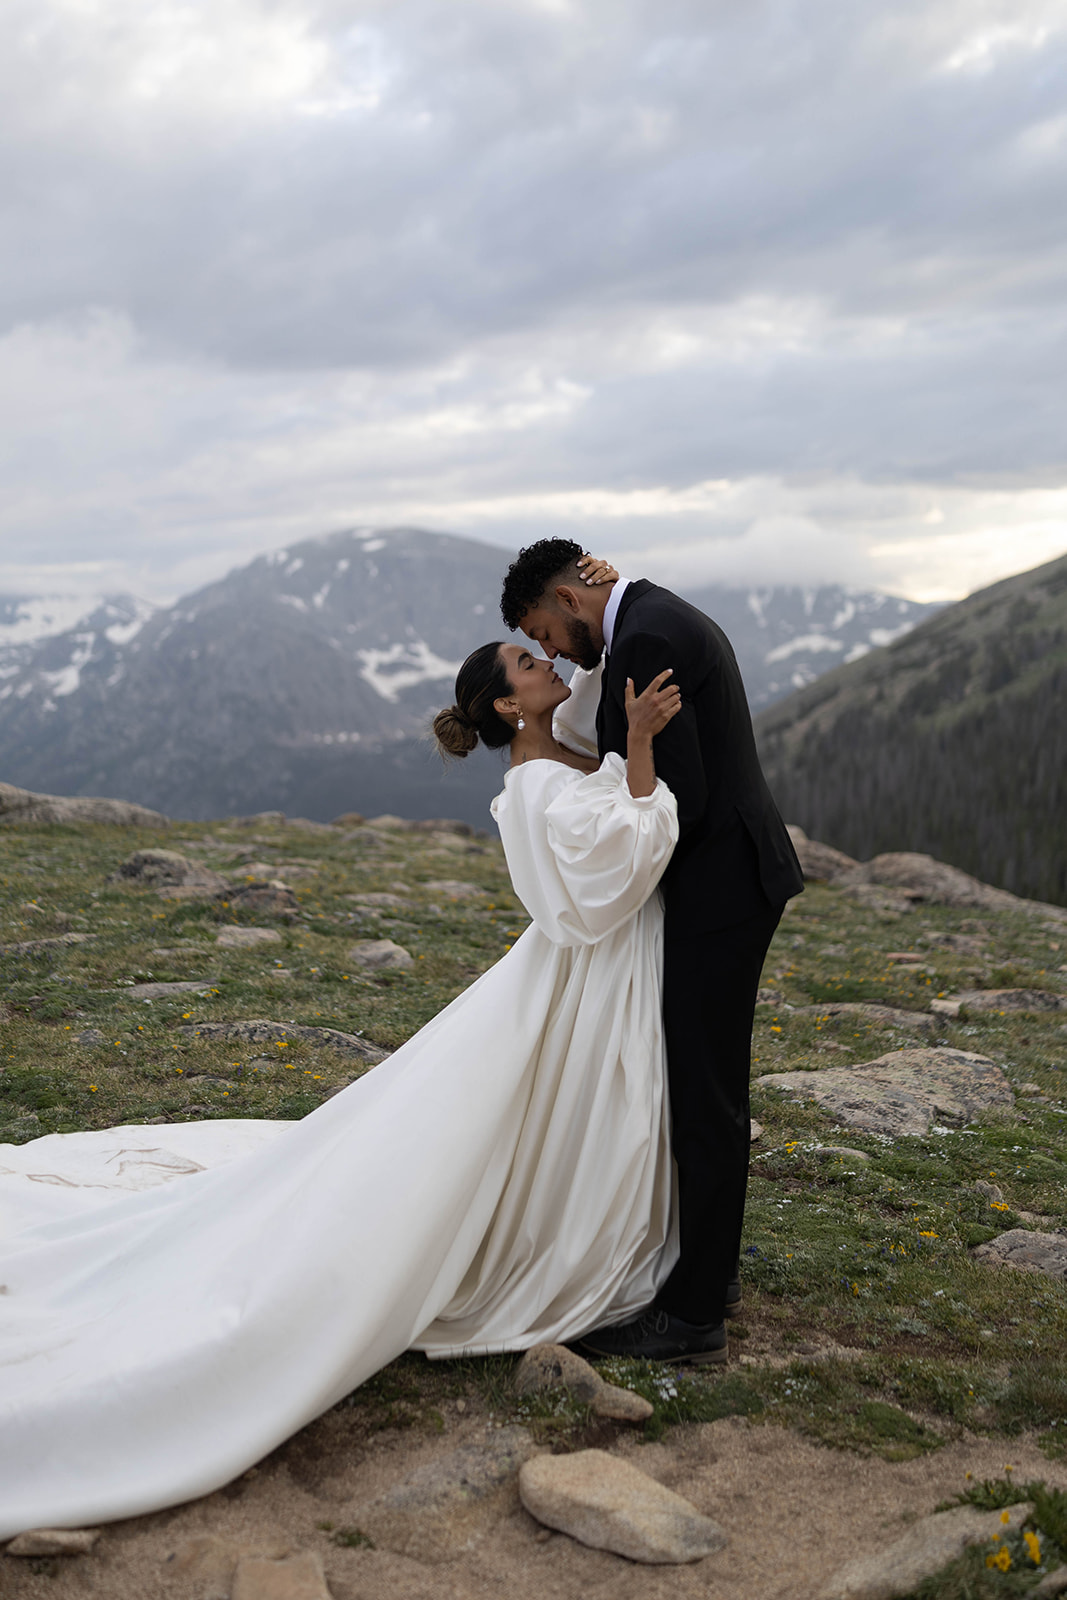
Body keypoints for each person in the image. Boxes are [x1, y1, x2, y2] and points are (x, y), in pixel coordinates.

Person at [0, 638, 683, 1541]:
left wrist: (596, 616)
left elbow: (588, 674)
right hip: (581, 972)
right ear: (508, 707)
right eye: (528, 663)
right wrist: (637, 749)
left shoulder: (549, 741)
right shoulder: (536, 784)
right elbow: (602, 889)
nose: (549, 664)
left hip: (579, 978)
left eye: (540, 651)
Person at [500, 539, 804, 1363]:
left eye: (546, 632)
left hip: (717, 893)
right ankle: (711, 1269)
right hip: (731, 884)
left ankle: (694, 1315)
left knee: (703, 1096)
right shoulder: (648, 613)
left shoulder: (644, 638)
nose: (554, 652)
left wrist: (622, 827)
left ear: (569, 596)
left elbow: (681, 799)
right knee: (708, 1086)